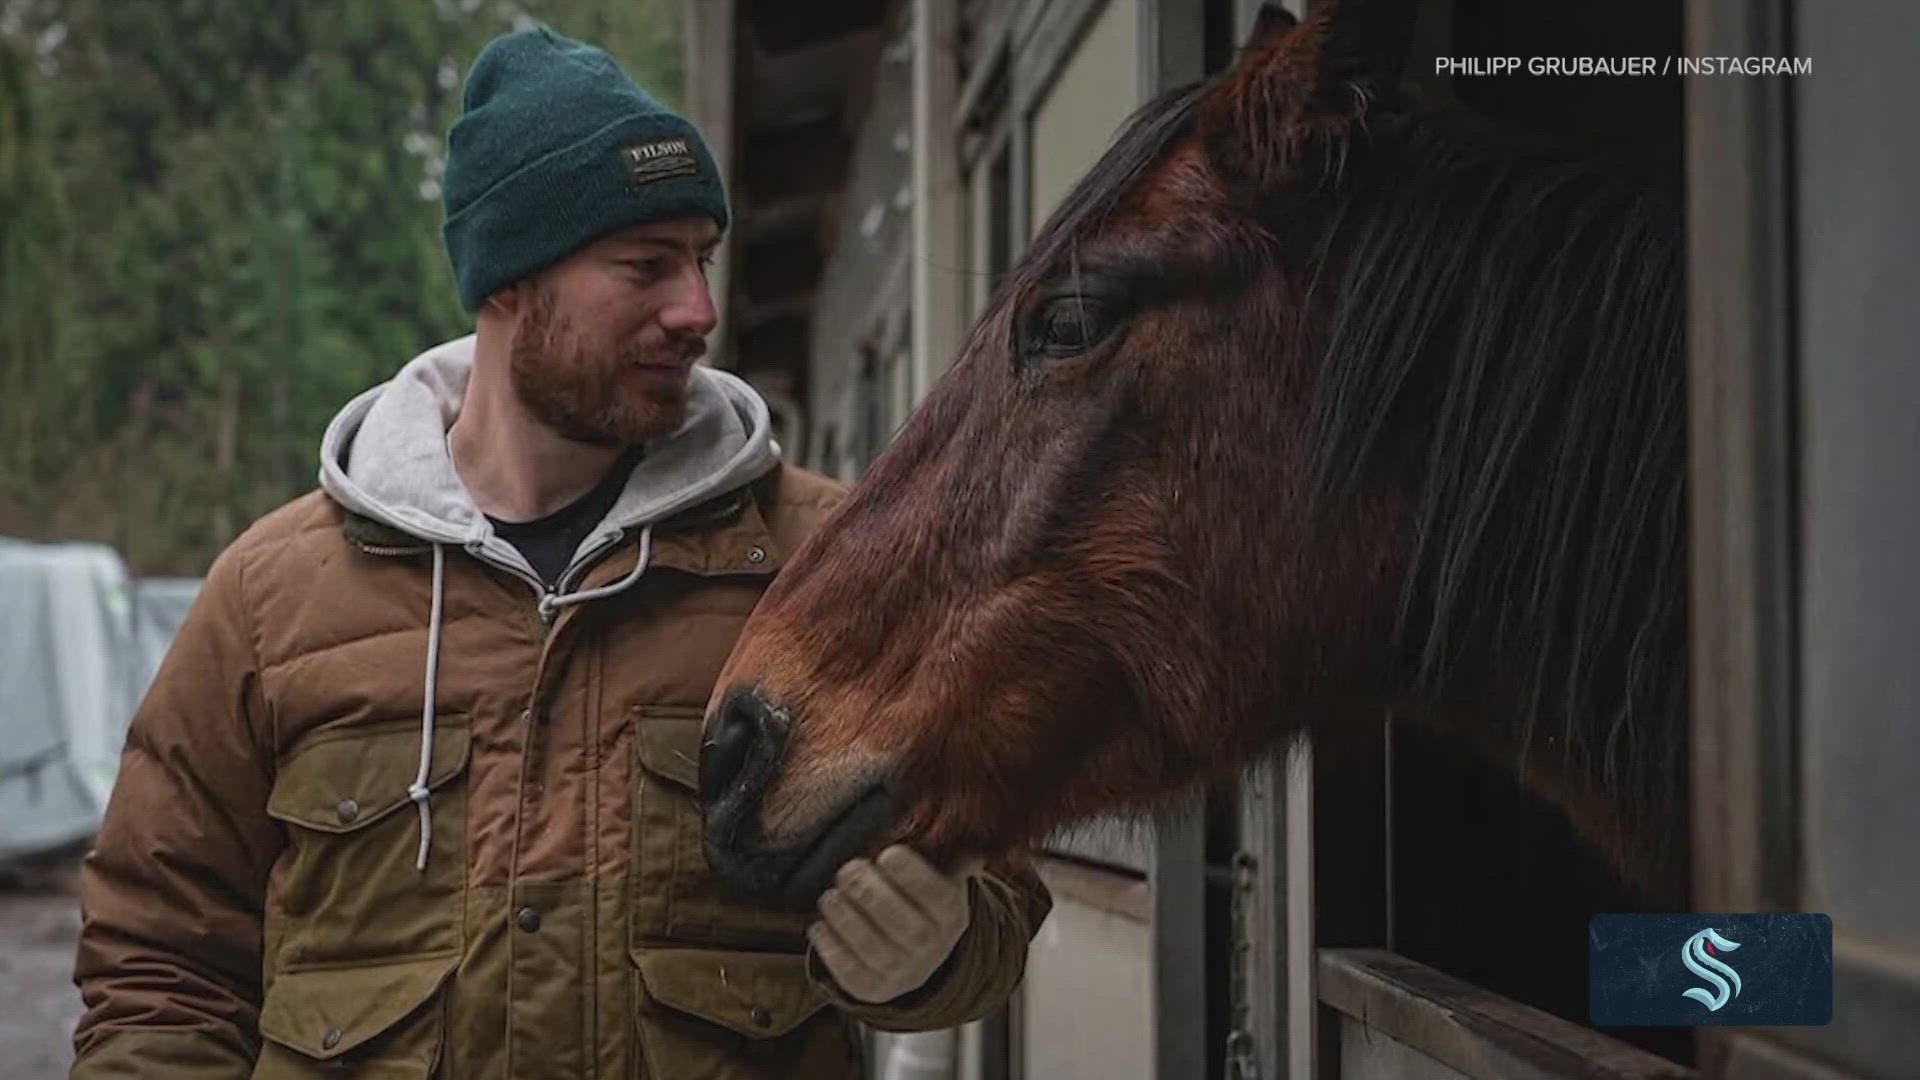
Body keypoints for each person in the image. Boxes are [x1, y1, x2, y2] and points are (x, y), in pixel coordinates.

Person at [70, 27, 1048, 1079]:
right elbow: (159, 958)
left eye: (703, 261)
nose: (699, 311)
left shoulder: (830, 568)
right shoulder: (273, 598)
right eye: (646, 266)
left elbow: (996, 876)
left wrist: (937, 950)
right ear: (509, 284)